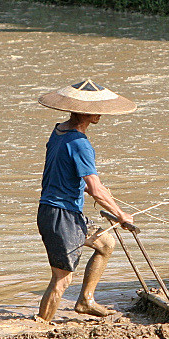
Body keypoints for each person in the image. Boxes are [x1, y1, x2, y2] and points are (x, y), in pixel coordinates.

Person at [35, 80, 136, 322]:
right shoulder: (81, 144)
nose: (100, 113)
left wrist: (97, 189)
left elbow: (78, 178)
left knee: (106, 244)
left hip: (61, 211)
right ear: (85, 112)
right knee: (62, 279)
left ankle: (85, 300)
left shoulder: (59, 131)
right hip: (61, 215)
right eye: (96, 108)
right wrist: (121, 215)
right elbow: (95, 189)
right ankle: (40, 327)